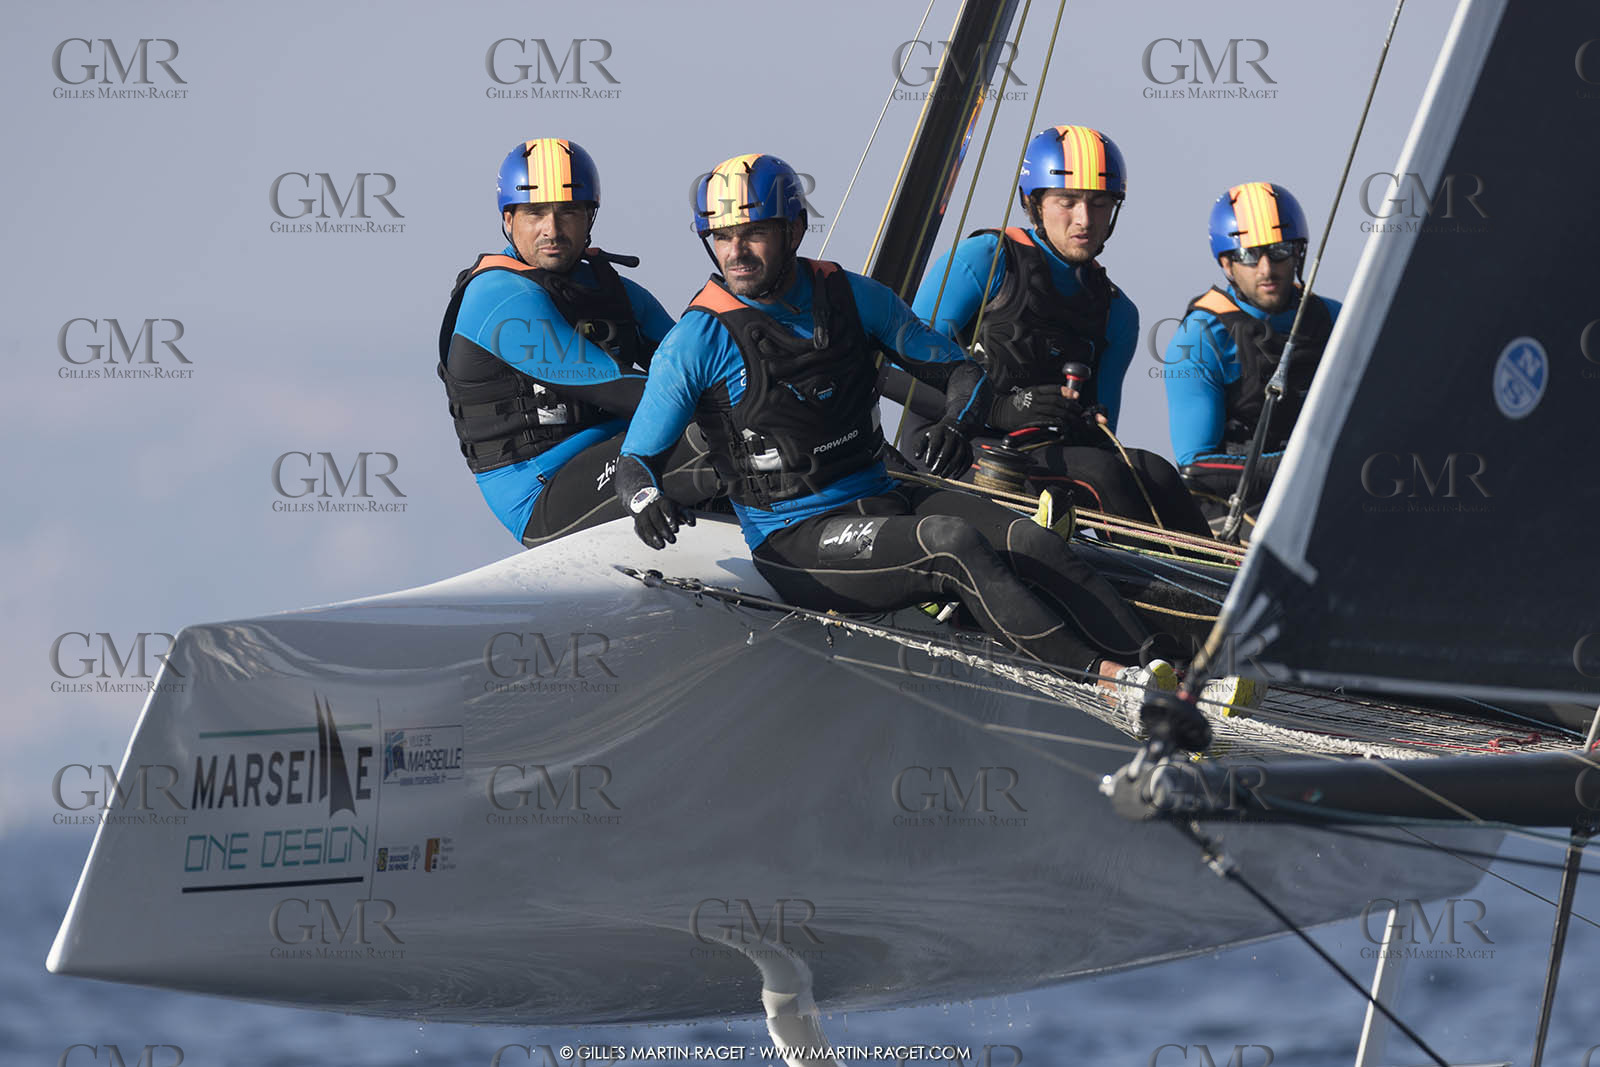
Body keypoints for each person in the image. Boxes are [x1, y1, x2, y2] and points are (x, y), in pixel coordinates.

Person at [612, 151, 1203, 713]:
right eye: (721, 237)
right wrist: (645, 499)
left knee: (1033, 539)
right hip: (797, 537)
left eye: (753, 233)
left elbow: (961, 371)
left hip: (884, 496)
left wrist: (956, 420)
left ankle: (1167, 677)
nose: (736, 252)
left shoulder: (853, 297)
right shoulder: (695, 340)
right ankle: (1111, 686)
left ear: (793, 229)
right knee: (952, 543)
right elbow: (637, 459)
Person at [908, 125, 1213, 539]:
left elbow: (1104, 439)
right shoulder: (985, 260)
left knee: (1155, 473)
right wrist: (1000, 409)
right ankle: (1155, 594)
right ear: (1033, 204)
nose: (1084, 219)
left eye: (1100, 203)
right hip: (950, 443)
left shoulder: (1117, 311)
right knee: (1102, 475)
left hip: (1044, 455)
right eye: (1067, 202)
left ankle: (1221, 593)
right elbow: (892, 371)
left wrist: (1082, 418)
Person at [437, 137, 718, 547]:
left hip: (624, 458)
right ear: (508, 219)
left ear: (589, 217)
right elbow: (618, 388)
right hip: (543, 494)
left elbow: (699, 363)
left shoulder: (613, 289)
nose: (552, 228)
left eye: (567, 211)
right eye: (535, 213)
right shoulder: (498, 297)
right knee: (715, 430)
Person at [1164, 181, 1341, 532]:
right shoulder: (1200, 337)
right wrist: (1289, 467)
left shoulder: (1338, 320)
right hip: (1232, 506)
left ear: (1297, 253)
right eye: (1248, 255)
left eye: (1277, 250)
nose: (1265, 269)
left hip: (1327, 492)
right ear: (1227, 264)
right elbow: (1194, 467)